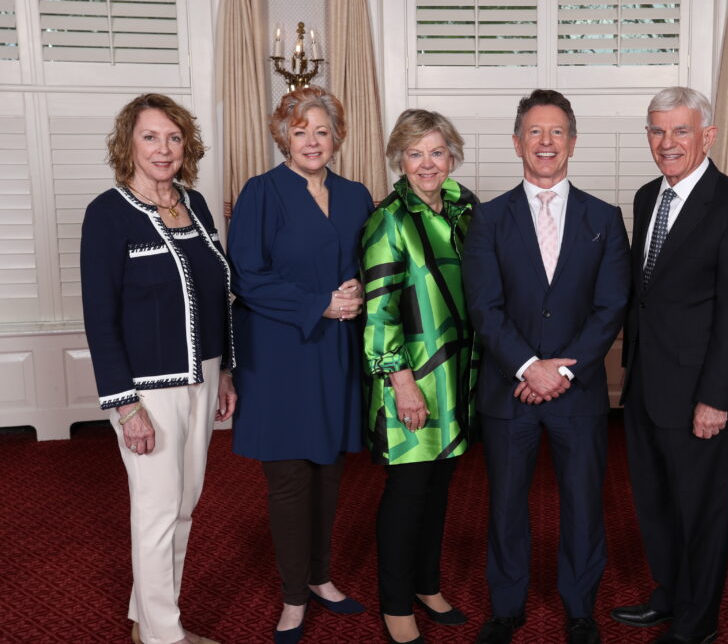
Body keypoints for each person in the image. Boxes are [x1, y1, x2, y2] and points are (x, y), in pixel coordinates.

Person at [462, 89, 630, 644]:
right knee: (505, 504)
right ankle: (506, 609)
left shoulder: (604, 218)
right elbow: (482, 306)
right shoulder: (487, 219)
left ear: (573, 143)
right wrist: (528, 366)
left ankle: (581, 607)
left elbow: (611, 308)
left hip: (576, 393)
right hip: (510, 392)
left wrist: (561, 372)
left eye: (557, 132)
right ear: (516, 143)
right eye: (535, 132)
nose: (546, 142)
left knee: (583, 503)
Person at [611, 87, 728, 644]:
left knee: (702, 512)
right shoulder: (644, 197)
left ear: (708, 135)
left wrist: (715, 395)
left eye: (680, 131)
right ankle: (670, 594)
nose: (667, 143)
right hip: (646, 384)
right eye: (657, 131)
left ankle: (698, 623)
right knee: (655, 501)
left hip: (700, 392)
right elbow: (645, 296)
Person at [81, 93, 236, 644]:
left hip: (203, 374)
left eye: (173, 137)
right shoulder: (107, 213)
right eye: (150, 136)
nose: (163, 148)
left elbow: (216, 294)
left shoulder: (193, 203)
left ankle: (146, 618)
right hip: (148, 390)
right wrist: (126, 407)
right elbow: (100, 318)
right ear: (128, 144)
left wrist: (224, 372)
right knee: (156, 511)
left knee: (184, 507)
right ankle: (164, 636)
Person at [228, 86, 373, 644]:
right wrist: (321, 303)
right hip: (282, 353)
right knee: (289, 479)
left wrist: (360, 284)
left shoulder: (358, 194)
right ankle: (292, 597)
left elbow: (370, 258)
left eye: (322, 130)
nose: (312, 141)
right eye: (300, 130)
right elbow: (247, 277)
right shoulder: (262, 193)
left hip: (337, 351)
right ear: (282, 136)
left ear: (337, 136)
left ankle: (320, 577)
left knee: (329, 471)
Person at [362, 109, 478, 644]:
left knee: (440, 485)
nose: (427, 163)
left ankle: (427, 585)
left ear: (450, 155)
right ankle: (394, 603)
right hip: (410, 377)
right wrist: (400, 381)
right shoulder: (389, 219)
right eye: (415, 153)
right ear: (399, 161)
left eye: (436, 152)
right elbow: (379, 309)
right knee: (408, 489)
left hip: (456, 374)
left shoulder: (466, 208)